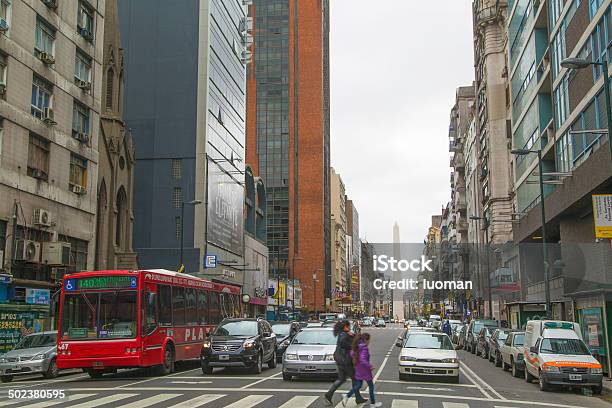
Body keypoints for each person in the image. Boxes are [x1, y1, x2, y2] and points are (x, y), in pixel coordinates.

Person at [324, 320, 366, 406]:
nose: (349, 327)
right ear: (345, 327)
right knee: (355, 379)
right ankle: (358, 398)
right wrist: (352, 347)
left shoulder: (342, 334)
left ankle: (328, 395)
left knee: (341, 379)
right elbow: (343, 343)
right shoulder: (344, 335)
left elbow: (355, 338)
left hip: (340, 359)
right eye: (348, 326)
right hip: (345, 360)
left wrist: (353, 335)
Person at [343, 333, 380, 407]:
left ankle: (347, 396)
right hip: (365, 370)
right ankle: (373, 404)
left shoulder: (356, 346)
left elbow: (352, 354)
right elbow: (363, 359)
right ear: (366, 340)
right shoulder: (364, 347)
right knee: (371, 386)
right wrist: (370, 366)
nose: (369, 342)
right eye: (369, 340)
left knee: (358, 385)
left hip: (358, 368)